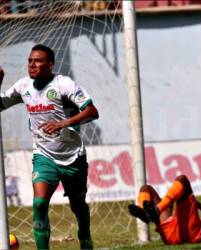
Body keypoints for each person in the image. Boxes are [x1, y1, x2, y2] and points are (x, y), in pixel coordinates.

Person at [0, 44, 99, 250]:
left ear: (50, 65)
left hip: (72, 157)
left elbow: (92, 111)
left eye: (38, 61)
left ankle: (85, 239)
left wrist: (62, 124)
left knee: (78, 206)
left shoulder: (63, 84)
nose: (32, 65)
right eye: (30, 61)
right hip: (44, 155)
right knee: (39, 203)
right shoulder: (23, 86)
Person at [128, 175, 201, 245]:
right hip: (172, 234)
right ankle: (146, 213)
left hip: (192, 235)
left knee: (183, 180)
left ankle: (155, 211)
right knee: (146, 188)